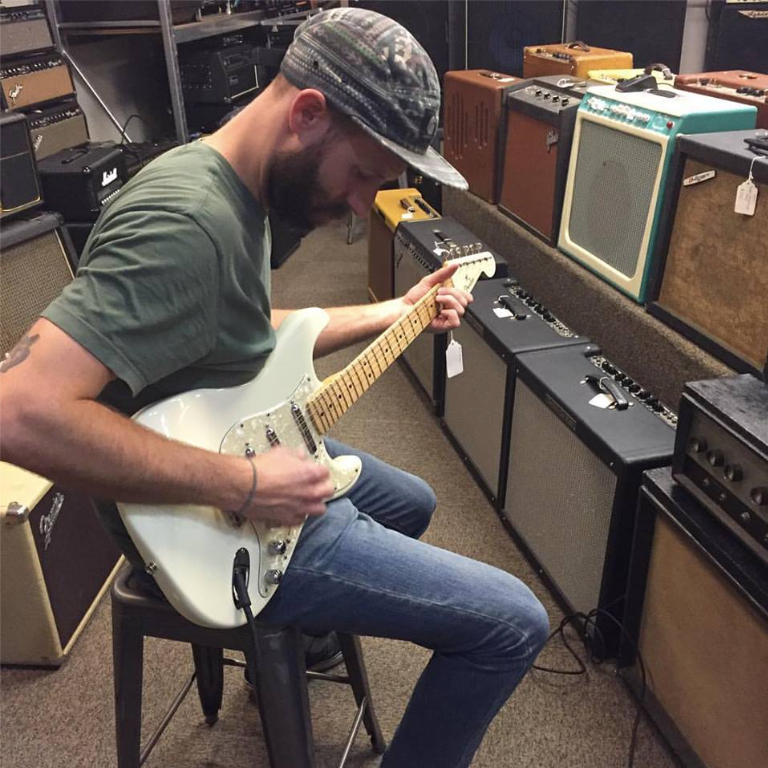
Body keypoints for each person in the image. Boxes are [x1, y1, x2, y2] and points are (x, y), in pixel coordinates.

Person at [0, 8, 549, 767]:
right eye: (362, 175)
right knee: (514, 622)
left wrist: (397, 309)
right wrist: (246, 482)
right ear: (308, 114)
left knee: (413, 501)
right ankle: (279, 619)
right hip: (201, 511)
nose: (364, 205)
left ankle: (294, 645)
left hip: (235, 437)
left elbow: (243, 324)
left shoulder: (239, 183)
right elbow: (18, 411)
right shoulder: (187, 222)